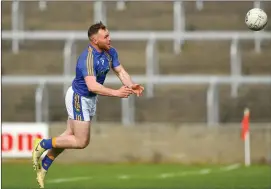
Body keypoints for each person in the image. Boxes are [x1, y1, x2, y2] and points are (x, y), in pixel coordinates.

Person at [32, 21, 144, 188]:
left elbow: (120, 71)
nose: (109, 39)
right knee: (81, 141)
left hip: (89, 99)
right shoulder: (88, 58)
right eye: (105, 36)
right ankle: (42, 144)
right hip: (79, 97)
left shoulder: (110, 52)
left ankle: (43, 167)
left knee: (68, 136)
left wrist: (130, 84)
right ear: (94, 40)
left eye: (109, 35)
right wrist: (116, 92)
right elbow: (92, 86)